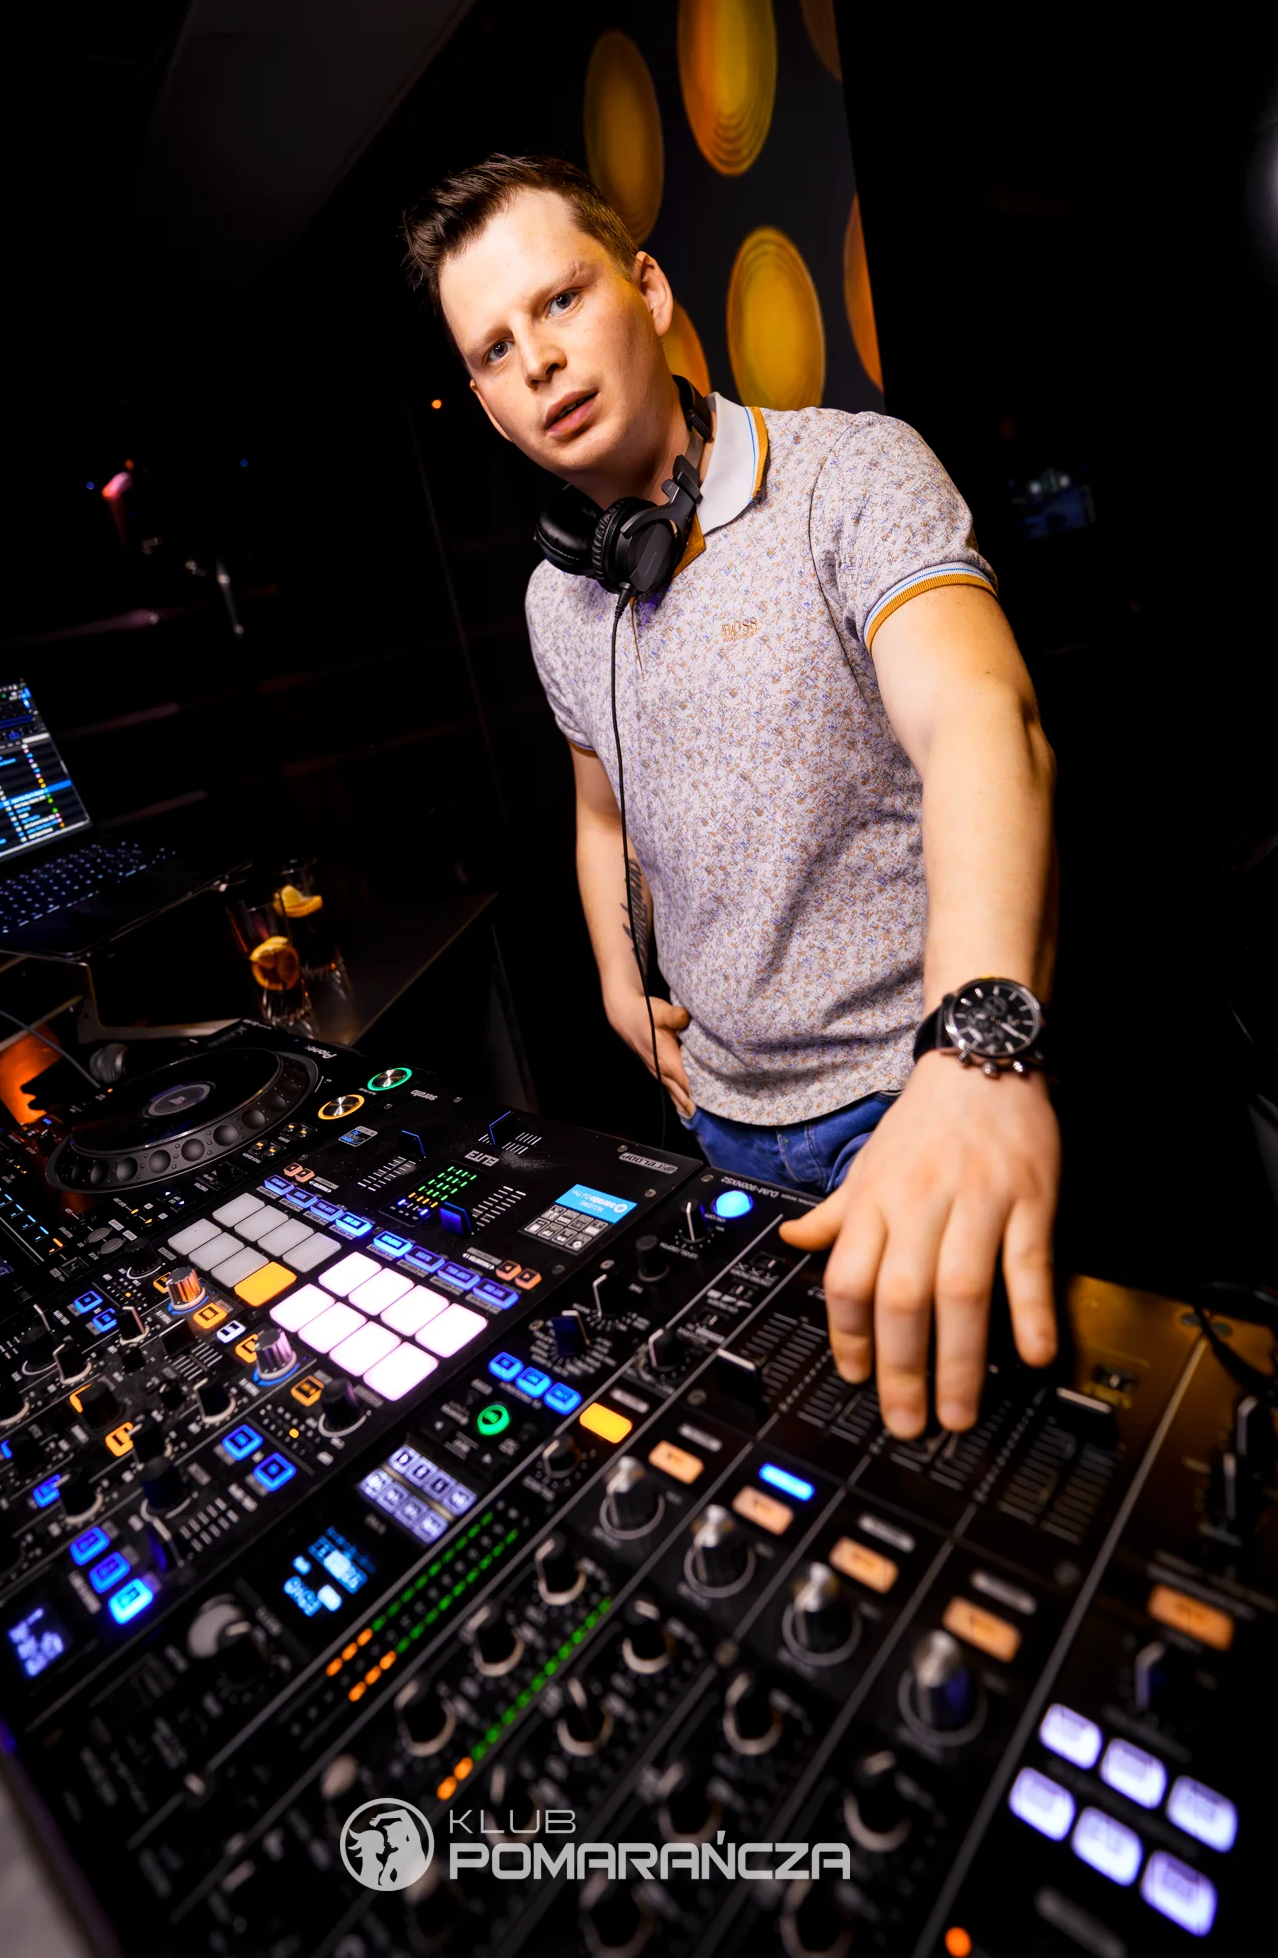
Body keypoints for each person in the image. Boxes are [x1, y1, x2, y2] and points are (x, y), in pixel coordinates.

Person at [402, 156, 1059, 1440]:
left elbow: (985, 720)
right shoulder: (558, 601)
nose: (539, 360)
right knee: (804, 1464)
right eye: (495, 348)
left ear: (646, 291)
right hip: (723, 1130)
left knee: (963, 1456)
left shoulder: (851, 474)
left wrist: (976, 1050)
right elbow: (602, 808)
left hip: (911, 1096)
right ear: (485, 403)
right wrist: (615, 975)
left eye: (561, 299)